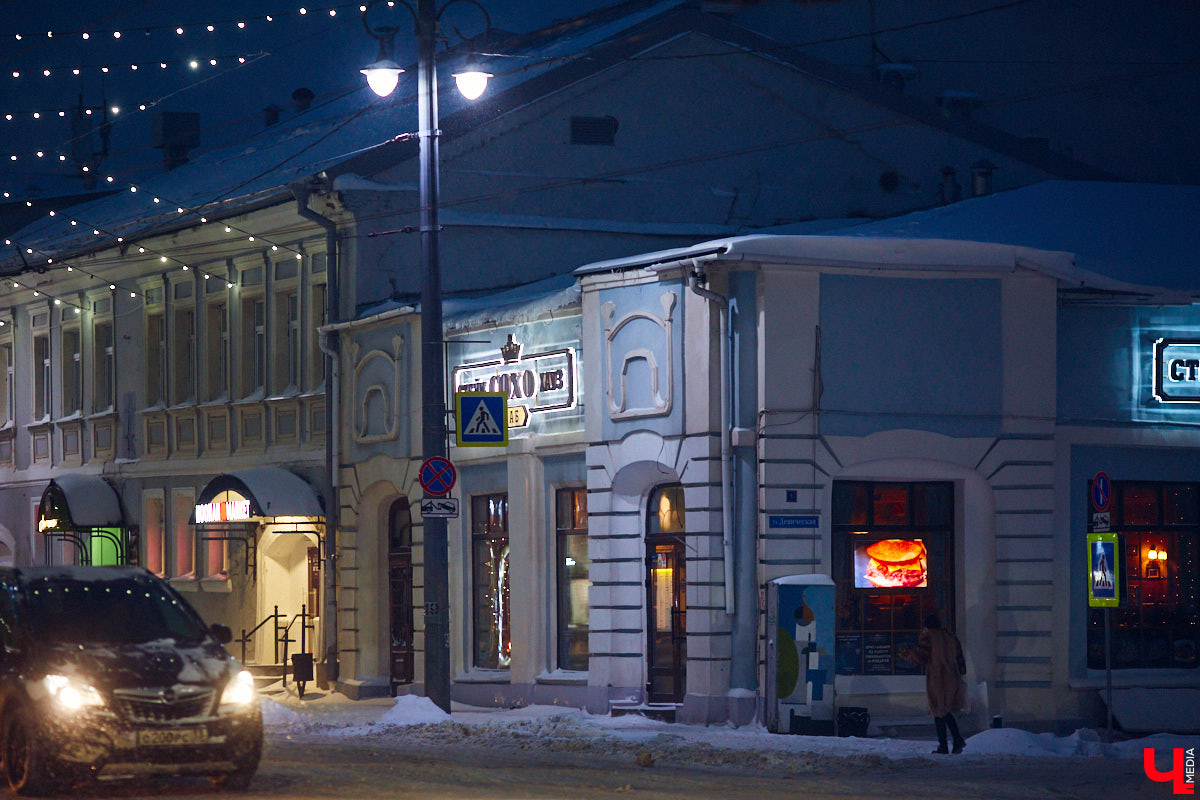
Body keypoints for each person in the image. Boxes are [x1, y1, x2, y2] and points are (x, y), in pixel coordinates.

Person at [912, 611, 967, 754]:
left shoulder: (928, 636)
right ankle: (954, 741)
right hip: (952, 677)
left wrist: (908, 656)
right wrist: (961, 672)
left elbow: (920, 657)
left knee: (938, 710)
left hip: (938, 677)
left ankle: (948, 744)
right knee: (944, 710)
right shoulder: (950, 636)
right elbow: (960, 658)